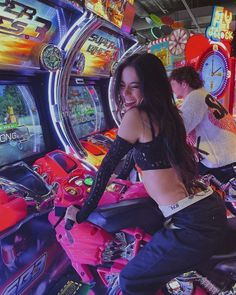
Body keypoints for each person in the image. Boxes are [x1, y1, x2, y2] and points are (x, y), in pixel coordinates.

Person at [65, 53, 227, 295]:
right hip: (206, 208)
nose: (125, 95)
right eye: (122, 87)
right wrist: (115, 181)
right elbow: (129, 160)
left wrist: (81, 212)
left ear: (150, 87)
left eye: (134, 87)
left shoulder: (136, 116)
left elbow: (107, 166)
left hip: (192, 222)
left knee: (131, 280)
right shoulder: (169, 113)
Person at [170, 66, 236, 182]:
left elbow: (180, 129)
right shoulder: (202, 94)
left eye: (173, 84)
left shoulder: (195, 97)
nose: (172, 89)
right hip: (227, 155)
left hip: (221, 159)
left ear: (184, 83)